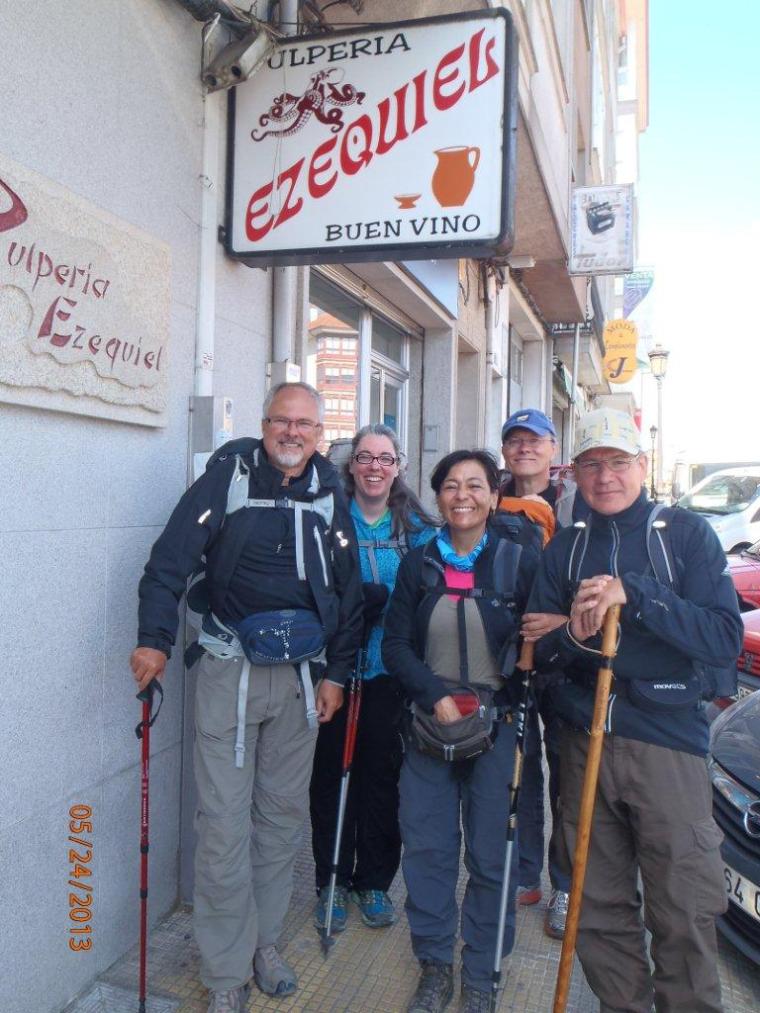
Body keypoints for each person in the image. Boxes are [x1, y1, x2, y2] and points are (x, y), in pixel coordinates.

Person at [129, 382, 363, 1013]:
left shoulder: (329, 495)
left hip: (301, 683)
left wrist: (337, 676)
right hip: (229, 675)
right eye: (281, 421)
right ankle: (226, 969)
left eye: (305, 424)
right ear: (264, 426)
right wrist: (153, 639)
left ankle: (263, 943)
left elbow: (349, 594)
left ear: (321, 434)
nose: (292, 433)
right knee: (224, 828)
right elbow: (168, 563)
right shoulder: (227, 479)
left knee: (281, 821)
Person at [525, 407, 742, 1013]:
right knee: (596, 909)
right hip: (582, 740)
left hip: (666, 744)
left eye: (618, 462)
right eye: (591, 464)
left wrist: (635, 597)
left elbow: (722, 637)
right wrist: (574, 629)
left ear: (642, 466)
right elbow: (537, 652)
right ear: (574, 474)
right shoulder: (565, 548)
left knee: (684, 909)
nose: (605, 477)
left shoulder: (685, 536)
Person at [383, 450, 540, 1013]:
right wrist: (435, 695)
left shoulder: (518, 563)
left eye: (476, 485)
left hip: (497, 730)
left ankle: (482, 969)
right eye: (451, 485)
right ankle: (433, 964)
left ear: (495, 495)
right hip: (429, 726)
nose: (463, 495)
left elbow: (539, 642)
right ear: (438, 496)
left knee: (492, 854)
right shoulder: (418, 563)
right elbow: (395, 645)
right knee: (427, 849)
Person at [310, 424, 437, 932]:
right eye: (365, 457)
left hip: (389, 673)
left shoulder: (416, 528)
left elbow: (433, 594)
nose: (375, 467)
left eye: (385, 459)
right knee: (331, 778)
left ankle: (375, 882)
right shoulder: (329, 520)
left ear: (398, 467)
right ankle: (333, 879)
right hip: (334, 673)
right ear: (351, 465)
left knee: (381, 781)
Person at [499, 408, 577, 938]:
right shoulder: (488, 499)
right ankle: (523, 874)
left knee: (567, 778)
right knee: (518, 772)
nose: (525, 448)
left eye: (536, 440)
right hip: (509, 659)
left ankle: (566, 884)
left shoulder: (578, 507)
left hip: (569, 662)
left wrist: (566, 621)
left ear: (554, 450)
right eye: (516, 440)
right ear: (505, 451)